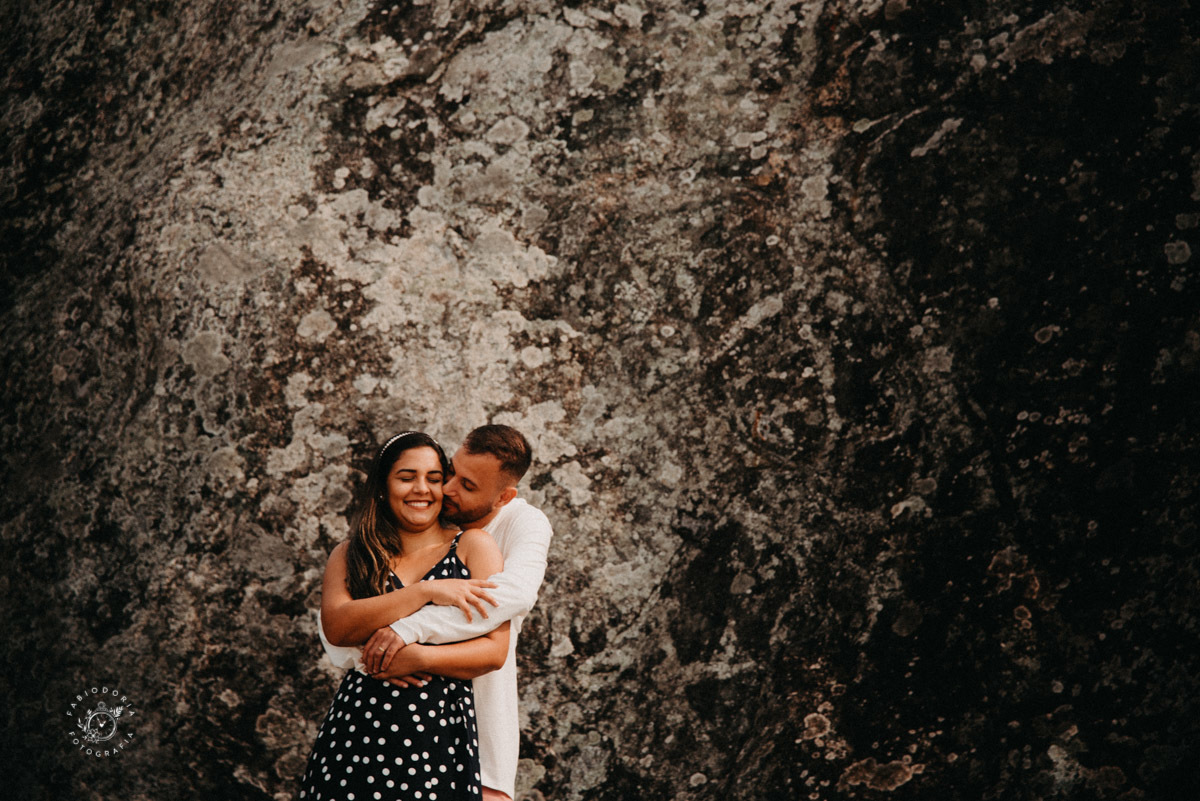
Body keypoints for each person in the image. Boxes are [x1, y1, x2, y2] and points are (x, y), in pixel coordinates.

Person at [321, 425, 554, 801]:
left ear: (504, 496)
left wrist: (411, 643)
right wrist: (425, 592)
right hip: (357, 730)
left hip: (453, 736)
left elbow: (506, 614)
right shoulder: (354, 553)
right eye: (450, 473)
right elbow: (335, 628)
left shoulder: (501, 534)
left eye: (464, 484)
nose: (442, 489)